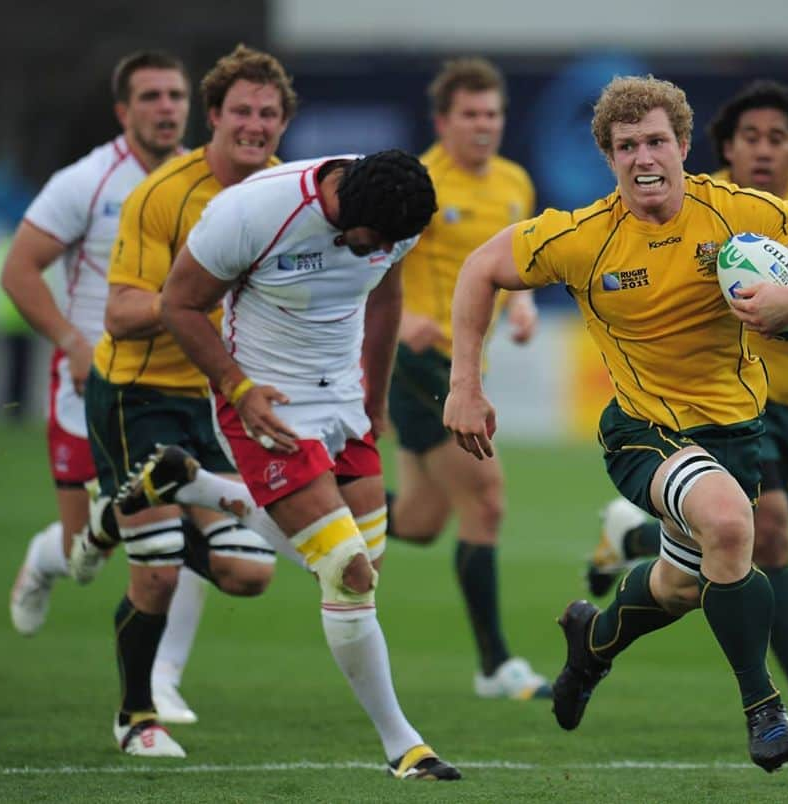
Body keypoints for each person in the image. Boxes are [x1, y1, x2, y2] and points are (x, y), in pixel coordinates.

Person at [442, 75, 788, 772]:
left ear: (682, 145)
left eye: (655, 142)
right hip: (643, 435)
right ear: (608, 157)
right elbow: (478, 268)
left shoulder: (735, 211)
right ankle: (764, 709)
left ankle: (592, 645)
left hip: (738, 434)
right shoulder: (581, 237)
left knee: (682, 586)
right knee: (735, 526)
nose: (643, 158)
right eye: (626, 146)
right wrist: (465, 382)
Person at [586, 79, 788, 734]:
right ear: (721, 146)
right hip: (715, 410)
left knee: (730, 551)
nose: (762, 150)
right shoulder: (704, 207)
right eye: (748, 138)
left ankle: (633, 539)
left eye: (777, 139)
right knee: (766, 535)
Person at [151, 147, 460, 780]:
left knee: (365, 566)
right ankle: (404, 748)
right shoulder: (253, 210)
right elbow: (177, 306)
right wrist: (238, 389)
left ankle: (203, 490)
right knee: (347, 572)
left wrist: (374, 398)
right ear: (342, 204)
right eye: (367, 240)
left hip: (345, 397)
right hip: (266, 401)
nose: (369, 251)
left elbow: (384, 298)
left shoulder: (399, 216)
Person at [84, 44, 299, 757]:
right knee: (159, 568)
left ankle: (108, 522)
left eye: (269, 113)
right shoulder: (162, 193)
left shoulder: (287, 195)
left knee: (247, 573)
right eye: (241, 110)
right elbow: (118, 314)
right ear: (214, 115)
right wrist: (195, 299)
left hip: (219, 402)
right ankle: (136, 716)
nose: (255, 124)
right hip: (136, 392)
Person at [2, 50, 209, 722]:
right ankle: (45, 558)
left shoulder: (208, 177)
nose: (166, 107)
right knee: (86, 549)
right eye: (150, 96)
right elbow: (20, 271)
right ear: (124, 111)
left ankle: (164, 679)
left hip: (177, 385)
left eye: (176, 95)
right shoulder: (87, 181)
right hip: (93, 385)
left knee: (184, 526)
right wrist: (71, 340)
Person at [384, 57, 549, 700]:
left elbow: (518, 266)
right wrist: (405, 322)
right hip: (420, 365)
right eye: (471, 115)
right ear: (442, 121)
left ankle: (294, 511)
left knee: (423, 520)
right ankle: (494, 666)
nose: (484, 126)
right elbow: (371, 267)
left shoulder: (514, 182)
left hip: (466, 367)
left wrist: (527, 304)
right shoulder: (419, 184)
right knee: (486, 499)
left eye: (493, 113)